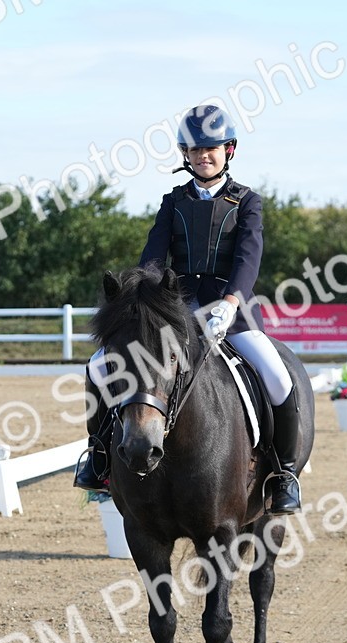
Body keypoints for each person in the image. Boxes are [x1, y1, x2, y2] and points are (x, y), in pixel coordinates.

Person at [73, 104, 302, 515]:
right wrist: (145, 301)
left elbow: (248, 258)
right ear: (185, 154)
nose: (203, 156)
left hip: (233, 313)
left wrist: (229, 304)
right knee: (98, 367)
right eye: (195, 150)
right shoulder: (173, 201)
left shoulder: (247, 202)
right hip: (174, 313)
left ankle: (283, 474)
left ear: (228, 150)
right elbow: (152, 260)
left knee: (278, 377)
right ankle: (100, 456)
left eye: (211, 149)